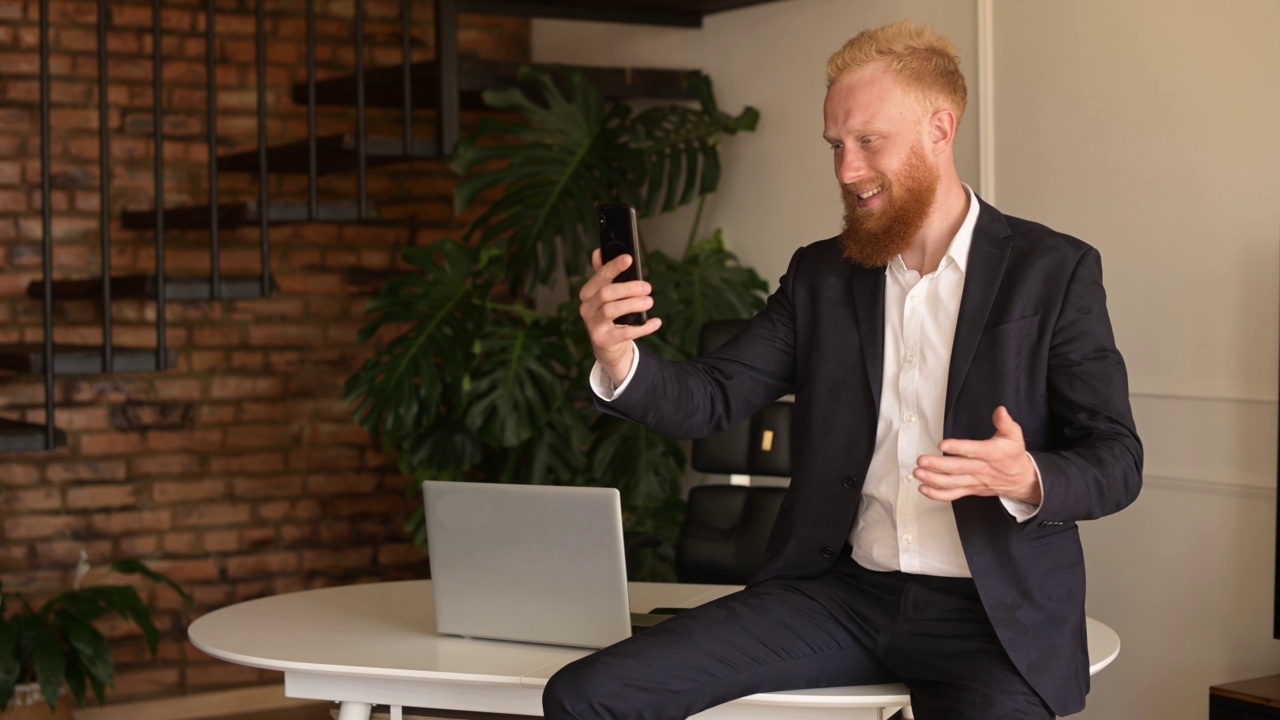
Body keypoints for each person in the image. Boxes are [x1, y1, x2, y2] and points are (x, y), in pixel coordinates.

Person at [544, 19, 1142, 720]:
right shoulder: (821, 275)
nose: (846, 170)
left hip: (990, 617)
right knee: (586, 696)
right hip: (840, 594)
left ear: (939, 131)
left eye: (867, 142)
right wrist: (619, 358)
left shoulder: (1053, 270)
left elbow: (1117, 459)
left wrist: (1026, 476)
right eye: (835, 146)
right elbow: (710, 397)